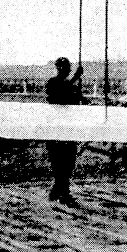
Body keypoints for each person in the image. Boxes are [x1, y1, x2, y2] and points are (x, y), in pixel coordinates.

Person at [44, 57, 84, 206]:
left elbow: (77, 99)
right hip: (56, 129)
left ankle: (58, 190)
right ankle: (63, 193)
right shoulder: (53, 83)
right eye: (62, 67)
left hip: (69, 129)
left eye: (66, 67)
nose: (64, 70)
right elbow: (58, 96)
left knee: (68, 162)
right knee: (59, 162)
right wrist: (75, 78)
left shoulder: (71, 84)